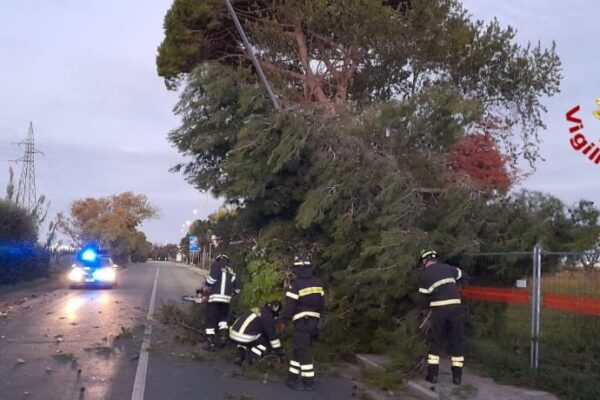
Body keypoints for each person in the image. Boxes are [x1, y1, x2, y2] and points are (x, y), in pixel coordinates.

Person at [418, 248, 465, 385]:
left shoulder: (425, 275)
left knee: (436, 341)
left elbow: (423, 300)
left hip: (439, 310)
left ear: (425, 260)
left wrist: (422, 312)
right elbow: (462, 274)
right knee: (456, 341)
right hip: (455, 308)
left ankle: (433, 375)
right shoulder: (448, 268)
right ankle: (457, 378)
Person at [278, 255, 325, 391]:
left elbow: (290, 306)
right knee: (298, 350)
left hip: (302, 323)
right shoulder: (318, 283)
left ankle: (308, 381)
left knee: (303, 352)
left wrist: (283, 321)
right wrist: (320, 321)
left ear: (297, 269)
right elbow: (322, 305)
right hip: (314, 322)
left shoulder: (296, 284)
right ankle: (292, 378)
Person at [201, 250, 241, 351]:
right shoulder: (232, 269)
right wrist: (230, 294)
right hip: (226, 300)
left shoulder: (217, 265)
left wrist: (205, 286)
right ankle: (223, 338)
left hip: (214, 298)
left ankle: (211, 344)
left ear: (218, 259)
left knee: (210, 320)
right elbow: (237, 289)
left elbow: (212, 279)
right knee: (223, 319)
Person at [229, 301, 285, 366]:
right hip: (245, 337)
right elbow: (272, 337)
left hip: (233, 333)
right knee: (266, 338)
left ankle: (239, 357)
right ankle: (252, 358)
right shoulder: (267, 316)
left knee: (244, 340)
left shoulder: (255, 309)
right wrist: (280, 351)